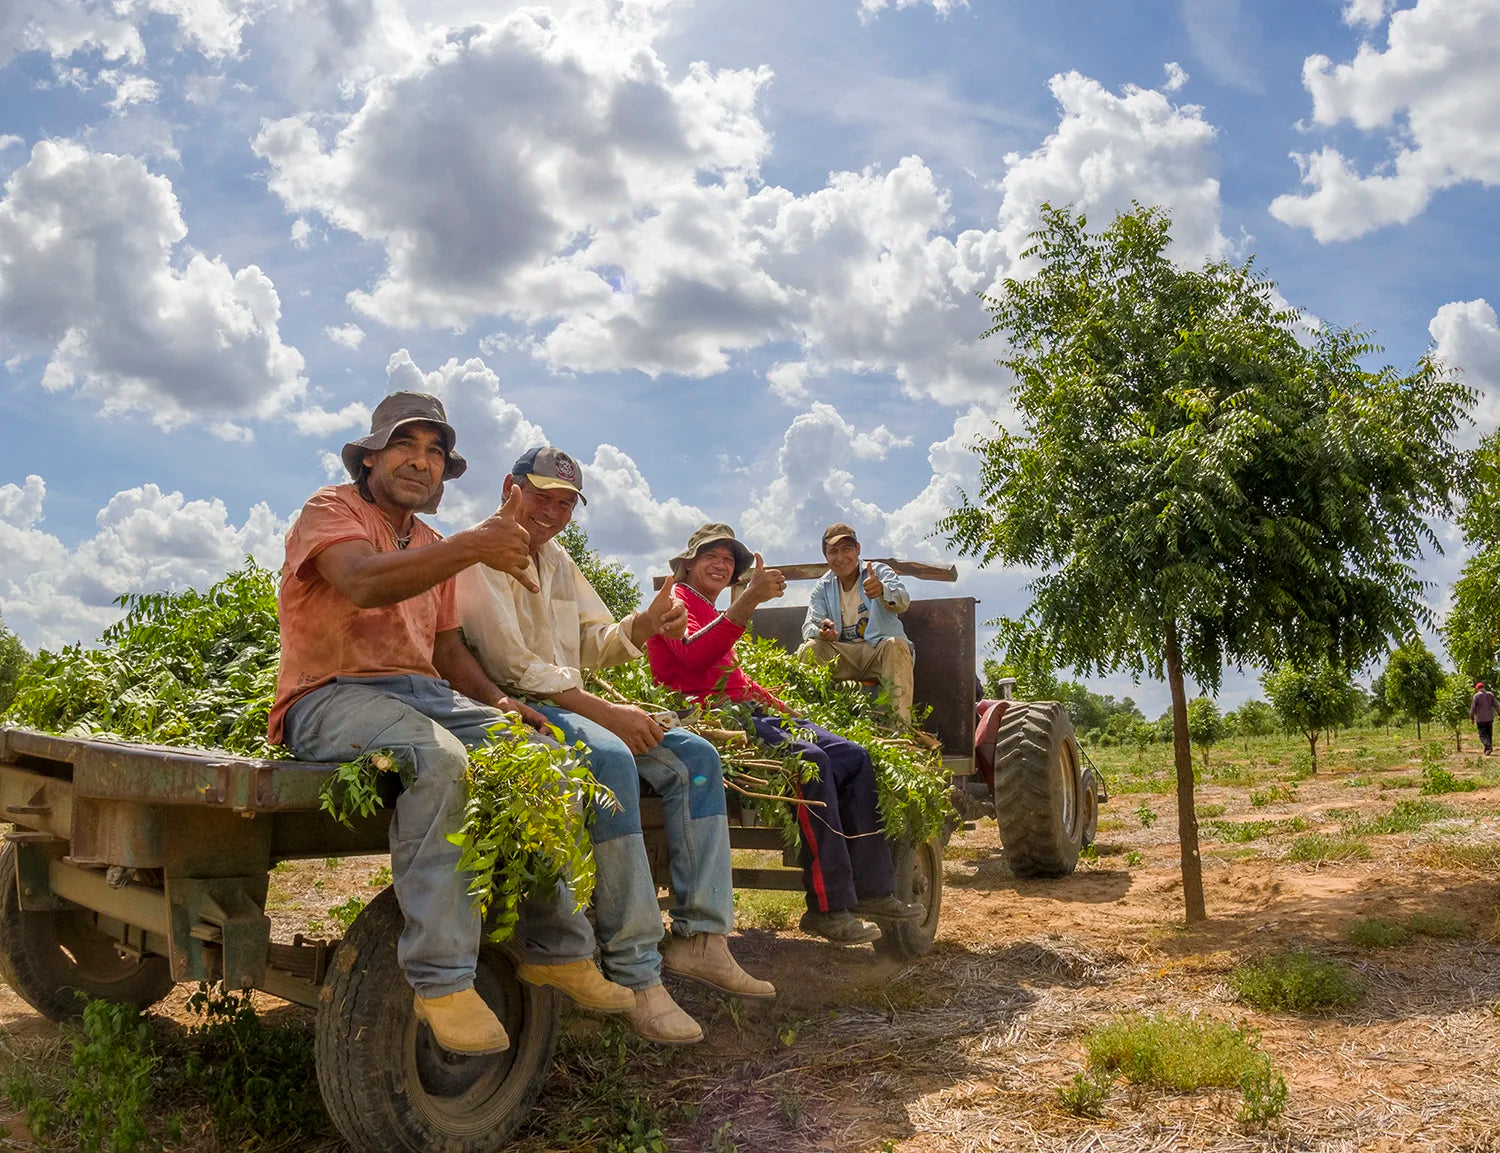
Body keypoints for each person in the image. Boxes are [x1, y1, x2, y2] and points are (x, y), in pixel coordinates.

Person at [270, 393, 634, 1058]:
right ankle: (440, 982)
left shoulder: (435, 544)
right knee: (440, 763)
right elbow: (361, 583)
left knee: (541, 759)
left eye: (435, 451)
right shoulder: (333, 511)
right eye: (406, 445)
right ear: (371, 456)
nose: (422, 460)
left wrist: (498, 702)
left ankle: (558, 947)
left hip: (420, 690)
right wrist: (471, 547)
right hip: (328, 693)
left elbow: (443, 651)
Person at [456, 448, 774, 1046]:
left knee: (696, 758)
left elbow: (594, 641)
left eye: (566, 503)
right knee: (611, 754)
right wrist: (606, 713)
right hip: (506, 708)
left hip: (568, 701)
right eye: (542, 496)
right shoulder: (478, 553)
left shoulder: (557, 560)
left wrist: (647, 624)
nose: (553, 512)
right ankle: (636, 973)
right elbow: (509, 666)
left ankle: (703, 938)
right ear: (509, 487)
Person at [647, 523, 924, 945]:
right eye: (711, 557)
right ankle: (827, 910)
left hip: (748, 709)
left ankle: (873, 890)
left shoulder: (708, 607)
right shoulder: (675, 601)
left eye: (728, 560)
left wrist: (785, 708)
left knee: (853, 756)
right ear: (688, 563)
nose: (721, 565)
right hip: (712, 717)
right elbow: (691, 655)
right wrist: (750, 602)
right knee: (810, 763)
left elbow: (735, 677)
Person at [798, 523, 915, 723]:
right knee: (810, 648)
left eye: (846, 549)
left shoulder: (878, 572)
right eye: (833, 552)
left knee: (896, 645)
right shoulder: (822, 587)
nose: (840, 557)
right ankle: (810, 724)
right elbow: (809, 626)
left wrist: (882, 590)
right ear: (826, 557)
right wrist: (822, 631)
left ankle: (899, 727)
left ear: (858, 549)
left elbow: (903, 601)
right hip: (844, 656)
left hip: (876, 651)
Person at [1472, 681, 1497, 756]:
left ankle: (1488, 747)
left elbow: (1473, 708)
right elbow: (1496, 705)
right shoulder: (1490, 694)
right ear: (1483, 688)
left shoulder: (1476, 696)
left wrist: (1471, 717)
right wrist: (1499, 713)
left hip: (1480, 719)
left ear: (1477, 689)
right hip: (1489, 718)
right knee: (1489, 734)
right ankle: (1487, 749)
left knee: (1482, 735)